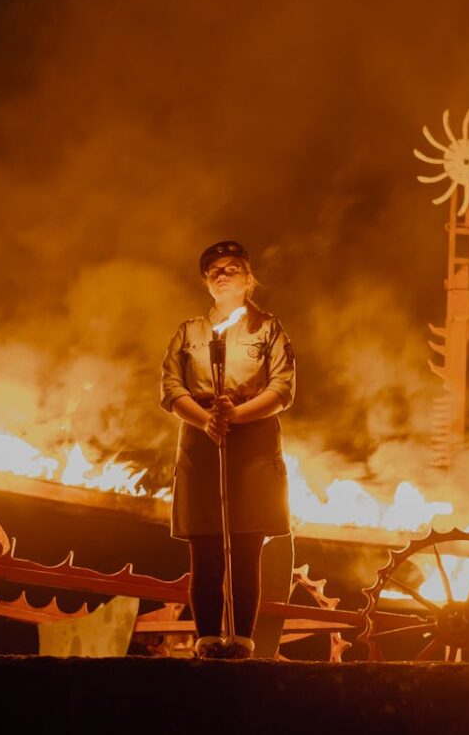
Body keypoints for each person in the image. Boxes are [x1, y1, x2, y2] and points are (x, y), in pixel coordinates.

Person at [160, 240, 295, 660]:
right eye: (214, 270)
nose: (222, 275)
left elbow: (282, 388)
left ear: (248, 278)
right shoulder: (189, 332)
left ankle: (241, 643)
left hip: (252, 443)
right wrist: (206, 421)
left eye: (232, 268)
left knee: (246, 545)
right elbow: (170, 387)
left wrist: (235, 416)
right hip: (201, 443)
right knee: (205, 546)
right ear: (206, 281)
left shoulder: (268, 329)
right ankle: (206, 640)